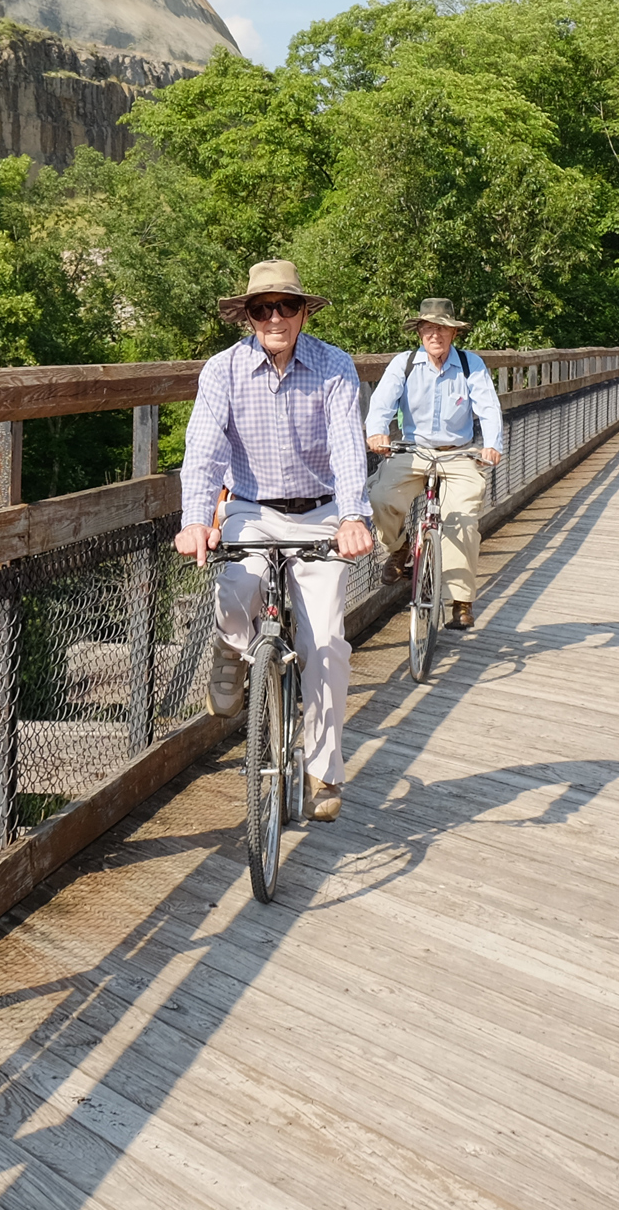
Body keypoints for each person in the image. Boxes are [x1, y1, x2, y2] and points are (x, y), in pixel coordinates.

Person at [175, 259, 374, 823]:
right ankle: (232, 648)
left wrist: (355, 516)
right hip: (250, 509)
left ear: (304, 312)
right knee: (235, 587)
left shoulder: (335, 366)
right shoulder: (222, 370)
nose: (275, 318)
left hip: (320, 513)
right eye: (263, 309)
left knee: (327, 644)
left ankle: (323, 771)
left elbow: (346, 446)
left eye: (287, 306)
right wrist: (195, 519)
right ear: (248, 316)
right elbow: (205, 448)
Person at [365, 298, 503, 630]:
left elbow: (489, 407)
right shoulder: (405, 363)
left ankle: (460, 600)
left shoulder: (471, 366)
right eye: (428, 328)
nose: (434, 335)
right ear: (419, 332)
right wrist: (377, 432)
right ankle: (398, 550)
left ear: (453, 333)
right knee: (381, 496)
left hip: (458, 454)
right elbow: (382, 401)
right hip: (412, 451)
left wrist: (492, 445)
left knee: (463, 520)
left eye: (441, 328)